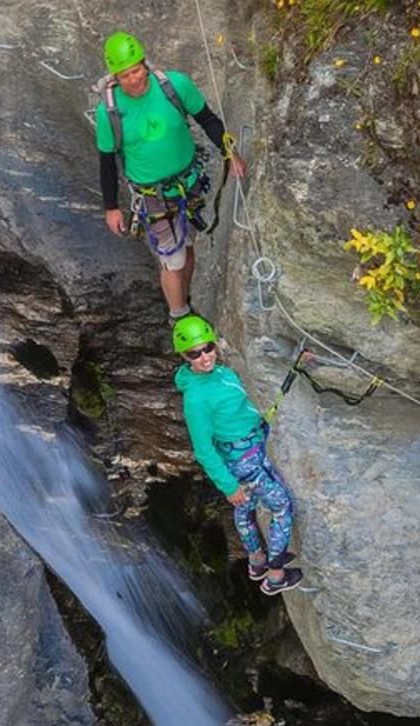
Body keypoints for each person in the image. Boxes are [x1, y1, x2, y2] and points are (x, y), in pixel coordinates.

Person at [94, 31, 247, 323]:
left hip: (189, 185)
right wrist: (111, 207)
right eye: (125, 75)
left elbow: (208, 120)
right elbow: (107, 162)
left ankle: (185, 301)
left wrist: (231, 153)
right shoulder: (110, 112)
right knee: (172, 259)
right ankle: (179, 318)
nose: (134, 79)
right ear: (115, 77)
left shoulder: (175, 86)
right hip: (153, 196)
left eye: (137, 71)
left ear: (145, 64)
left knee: (187, 249)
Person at [171, 315, 301, 595]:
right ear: (183, 356)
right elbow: (203, 449)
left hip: (241, 449)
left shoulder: (213, 374)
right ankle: (276, 576)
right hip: (246, 459)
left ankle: (256, 562)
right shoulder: (195, 399)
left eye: (207, 348)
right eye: (195, 353)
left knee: (245, 507)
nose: (205, 357)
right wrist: (228, 485)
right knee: (282, 508)